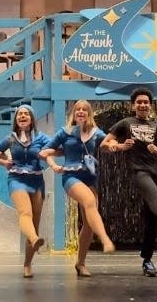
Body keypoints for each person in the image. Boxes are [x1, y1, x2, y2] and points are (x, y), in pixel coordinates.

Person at [102, 87, 157, 277]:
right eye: (139, 102)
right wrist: (120, 146)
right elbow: (105, 144)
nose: (142, 105)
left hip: (156, 172)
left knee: (152, 218)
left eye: (146, 102)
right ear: (133, 105)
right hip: (138, 171)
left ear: (150, 105)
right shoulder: (125, 123)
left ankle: (147, 260)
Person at [40, 100, 115, 277]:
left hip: (90, 177)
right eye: (77, 109)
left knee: (88, 224)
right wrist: (53, 164)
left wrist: (115, 146)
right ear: (73, 114)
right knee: (89, 201)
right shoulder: (65, 132)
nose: (81, 112)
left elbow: (108, 143)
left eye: (84, 109)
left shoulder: (96, 133)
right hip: (71, 176)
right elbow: (45, 152)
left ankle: (80, 263)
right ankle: (105, 240)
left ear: (89, 114)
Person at [0, 104, 50, 278]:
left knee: (34, 224)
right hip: (16, 179)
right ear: (16, 120)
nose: (22, 116)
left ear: (31, 118)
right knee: (25, 213)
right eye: (19, 114)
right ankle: (35, 239)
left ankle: (27, 264)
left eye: (26, 114)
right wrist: (4, 162)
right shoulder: (11, 139)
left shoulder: (41, 138)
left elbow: (54, 148)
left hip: (36, 181)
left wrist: (49, 157)